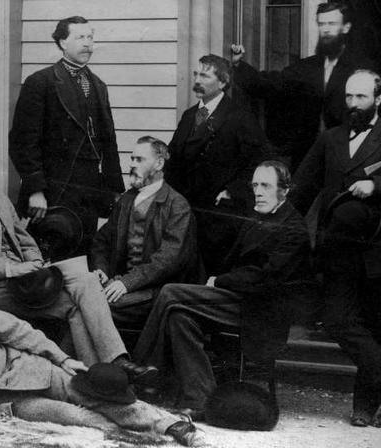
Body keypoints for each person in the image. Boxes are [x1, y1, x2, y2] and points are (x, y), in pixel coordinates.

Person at [0, 264, 199, 446]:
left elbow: (16, 330)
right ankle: (140, 438)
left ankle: (169, 425)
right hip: (3, 399)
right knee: (76, 417)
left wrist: (60, 358)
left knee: (92, 391)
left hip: (25, 368)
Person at [0, 134, 155, 383]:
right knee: (79, 294)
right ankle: (104, 373)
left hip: (20, 280)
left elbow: (23, 236)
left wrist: (36, 262)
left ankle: (104, 369)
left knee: (85, 283)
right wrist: (13, 269)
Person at [292, 70, 381, 428]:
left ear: (378, 100)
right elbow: (302, 188)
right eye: (349, 97)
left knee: (378, 330)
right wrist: (280, 221)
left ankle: (367, 406)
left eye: (361, 98)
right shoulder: (330, 140)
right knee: (337, 320)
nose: (353, 105)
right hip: (339, 250)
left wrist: (378, 185)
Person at [133, 162, 310, 420]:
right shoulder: (257, 215)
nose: (258, 192)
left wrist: (219, 281)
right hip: (239, 298)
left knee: (171, 292)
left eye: (265, 186)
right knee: (179, 317)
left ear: (284, 191)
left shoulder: (293, 228)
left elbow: (265, 278)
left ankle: (143, 371)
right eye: (255, 185)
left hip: (260, 310)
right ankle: (200, 399)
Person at [9, 15, 123, 249]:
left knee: (84, 253)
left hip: (89, 189)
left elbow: (109, 143)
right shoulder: (41, 82)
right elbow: (23, 141)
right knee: (52, 254)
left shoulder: (99, 86)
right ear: (62, 42)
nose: (87, 43)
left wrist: (115, 192)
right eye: (80, 37)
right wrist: (35, 190)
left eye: (90, 37)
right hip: (55, 187)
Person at [230, 2, 375, 168]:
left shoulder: (361, 68)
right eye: (321, 24)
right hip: (308, 157)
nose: (325, 29)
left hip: (348, 156)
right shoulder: (307, 67)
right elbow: (271, 84)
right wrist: (237, 65)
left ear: (346, 27)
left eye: (332, 24)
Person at [165, 54, 269, 273]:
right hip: (187, 209)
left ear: (222, 82)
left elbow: (259, 161)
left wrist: (233, 191)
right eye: (196, 74)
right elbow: (172, 159)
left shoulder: (239, 116)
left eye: (204, 75)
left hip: (220, 213)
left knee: (213, 271)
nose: (198, 80)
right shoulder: (189, 115)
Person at [89, 136, 200, 329]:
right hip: (120, 283)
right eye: (132, 159)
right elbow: (102, 241)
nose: (132, 164)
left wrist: (127, 283)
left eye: (139, 160)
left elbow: (168, 260)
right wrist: (102, 269)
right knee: (79, 298)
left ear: (158, 163)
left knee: (97, 307)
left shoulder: (177, 205)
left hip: (159, 291)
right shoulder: (126, 200)